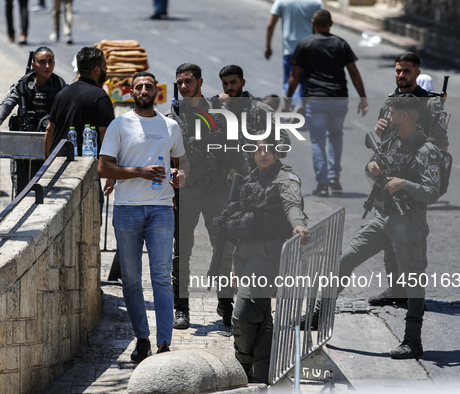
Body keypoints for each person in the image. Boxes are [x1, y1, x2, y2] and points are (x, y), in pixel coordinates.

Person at [308, 95, 441, 360]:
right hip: (383, 217)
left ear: (405, 115)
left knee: (413, 280)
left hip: (409, 222)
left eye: (392, 111)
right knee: (345, 259)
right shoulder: (390, 140)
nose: (387, 115)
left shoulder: (427, 149)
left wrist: (405, 184)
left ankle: (412, 340)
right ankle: (320, 314)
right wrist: (371, 168)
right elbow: (372, 167)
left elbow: (432, 192)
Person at [98, 71, 190, 362]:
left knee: (161, 278)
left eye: (149, 86)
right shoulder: (120, 124)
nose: (144, 90)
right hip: (127, 210)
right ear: (131, 92)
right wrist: (140, 172)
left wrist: (181, 174)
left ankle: (164, 343)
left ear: (156, 93)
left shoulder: (170, 126)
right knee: (132, 280)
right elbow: (104, 168)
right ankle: (142, 339)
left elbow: (182, 160)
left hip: (162, 209)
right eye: (139, 87)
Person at [170, 63, 250, 329]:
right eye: (180, 82)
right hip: (186, 192)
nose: (184, 87)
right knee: (182, 252)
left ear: (200, 82)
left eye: (188, 81)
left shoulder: (219, 113)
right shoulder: (173, 115)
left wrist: (249, 182)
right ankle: (181, 308)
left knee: (224, 249)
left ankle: (225, 304)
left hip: (217, 190)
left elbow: (236, 152)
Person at [228, 133, 309, 383]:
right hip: (244, 252)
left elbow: (293, 204)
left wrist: (299, 225)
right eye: (258, 149)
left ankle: (243, 363)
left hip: (267, 255)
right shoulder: (250, 177)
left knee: (241, 315)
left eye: (268, 149)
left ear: (277, 152)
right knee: (261, 312)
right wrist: (234, 265)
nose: (262, 154)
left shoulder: (284, 178)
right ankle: (262, 370)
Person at [369, 52, 449, 307]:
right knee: (387, 233)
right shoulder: (391, 100)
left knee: (413, 238)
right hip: (388, 177)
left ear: (417, 72)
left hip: (414, 181)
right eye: (398, 70)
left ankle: (414, 295)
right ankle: (395, 289)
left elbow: (441, 144)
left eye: (406, 70)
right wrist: (380, 130)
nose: (401, 75)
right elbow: (384, 138)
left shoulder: (430, 105)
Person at [283, 9, 368, 197]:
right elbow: (353, 71)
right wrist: (363, 97)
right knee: (336, 136)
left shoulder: (304, 44)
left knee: (317, 141)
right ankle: (334, 177)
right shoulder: (340, 43)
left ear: (313, 23)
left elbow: (295, 75)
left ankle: (322, 184)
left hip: (315, 100)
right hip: (339, 99)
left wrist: (288, 101)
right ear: (330, 24)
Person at [0, 47, 66, 194]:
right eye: (42, 62)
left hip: (51, 148)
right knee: (23, 192)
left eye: (50, 62)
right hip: (25, 148)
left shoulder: (60, 86)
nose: (47, 66)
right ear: (33, 65)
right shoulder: (23, 85)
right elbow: (6, 104)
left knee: (52, 193)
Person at [265, 0, 323, 108]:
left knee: (289, 80)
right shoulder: (316, 2)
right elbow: (323, 23)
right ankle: (305, 109)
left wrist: (268, 46)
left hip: (291, 50)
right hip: (310, 49)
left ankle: (296, 104)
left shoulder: (281, 1)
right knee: (305, 82)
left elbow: (270, 25)